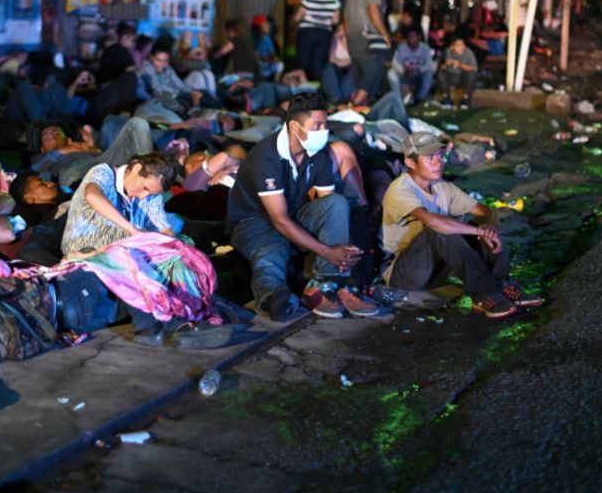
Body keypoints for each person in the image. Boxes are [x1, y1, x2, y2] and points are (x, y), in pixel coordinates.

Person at [226, 92, 388, 321]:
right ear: (294, 126)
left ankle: (327, 284)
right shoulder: (267, 156)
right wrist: (327, 251)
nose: (323, 131)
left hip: (292, 214)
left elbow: (328, 203)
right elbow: (279, 220)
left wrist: (341, 248)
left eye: (325, 124)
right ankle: (272, 298)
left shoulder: (317, 153)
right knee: (270, 254)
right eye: (317, 125)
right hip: (253, 222)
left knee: (337, 204)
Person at [380, 131, 542, 318]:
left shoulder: (442, 187)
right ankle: (484, 296)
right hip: (405, 275)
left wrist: (487, 228)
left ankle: (503, 285)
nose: (438, 162)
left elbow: (485, 211)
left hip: (436, 270)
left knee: (480, 228)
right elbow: (433, 222)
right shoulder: (399, 189)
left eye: (440, 156)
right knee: (440, 229)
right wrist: (477, 230)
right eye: (430, 157)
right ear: (410, 163)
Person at [61, 152, 175, 257]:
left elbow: (165, 230)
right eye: (145, 188)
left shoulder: (152, 196)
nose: (143, 197)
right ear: (136, 168)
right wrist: (133, 230)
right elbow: (92, 195)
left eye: (150, 193)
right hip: (84, 248)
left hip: (125, 252)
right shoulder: (104, 172)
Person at [344, 0, 390, 106]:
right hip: (367, 38)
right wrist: (385, 35)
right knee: (372, 74)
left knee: (361, 78)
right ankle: (352, 108)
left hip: (353, 40)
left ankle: (357, 110)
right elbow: (374, 11)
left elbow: (346, 17)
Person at [294, 0, 340, 82]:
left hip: (306, 32)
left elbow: (297, 17)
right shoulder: (333, 2)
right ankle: (318, 86)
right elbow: (335, 21)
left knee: (303, 59)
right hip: (324, 33)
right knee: (319, 61)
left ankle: (303, 84)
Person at [388, 29, 437, 105]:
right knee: (391, 73)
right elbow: (395, 63)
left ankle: (419, 99)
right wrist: (404, 70)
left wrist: (418, 70)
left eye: (413, 37)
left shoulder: (425, 48)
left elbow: (429, 64)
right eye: (409, 37)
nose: (411, 39)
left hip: (418, 75)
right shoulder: (401, 48)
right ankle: (397, 99)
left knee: (428, 74)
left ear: (419, 37)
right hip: (405, 74)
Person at [438, 36, 479, 107]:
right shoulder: (447, 51)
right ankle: (446, 97)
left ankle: (465, 99)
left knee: (472, 74)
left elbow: (474, 68)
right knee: (441, 73)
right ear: (452, 47)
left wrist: (460, 65)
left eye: (463, 45)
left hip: (462, 77)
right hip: (450, 76)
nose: (461, 47)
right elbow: (440, 67)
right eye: (458, 45)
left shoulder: (468, 52)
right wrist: (446, 64)